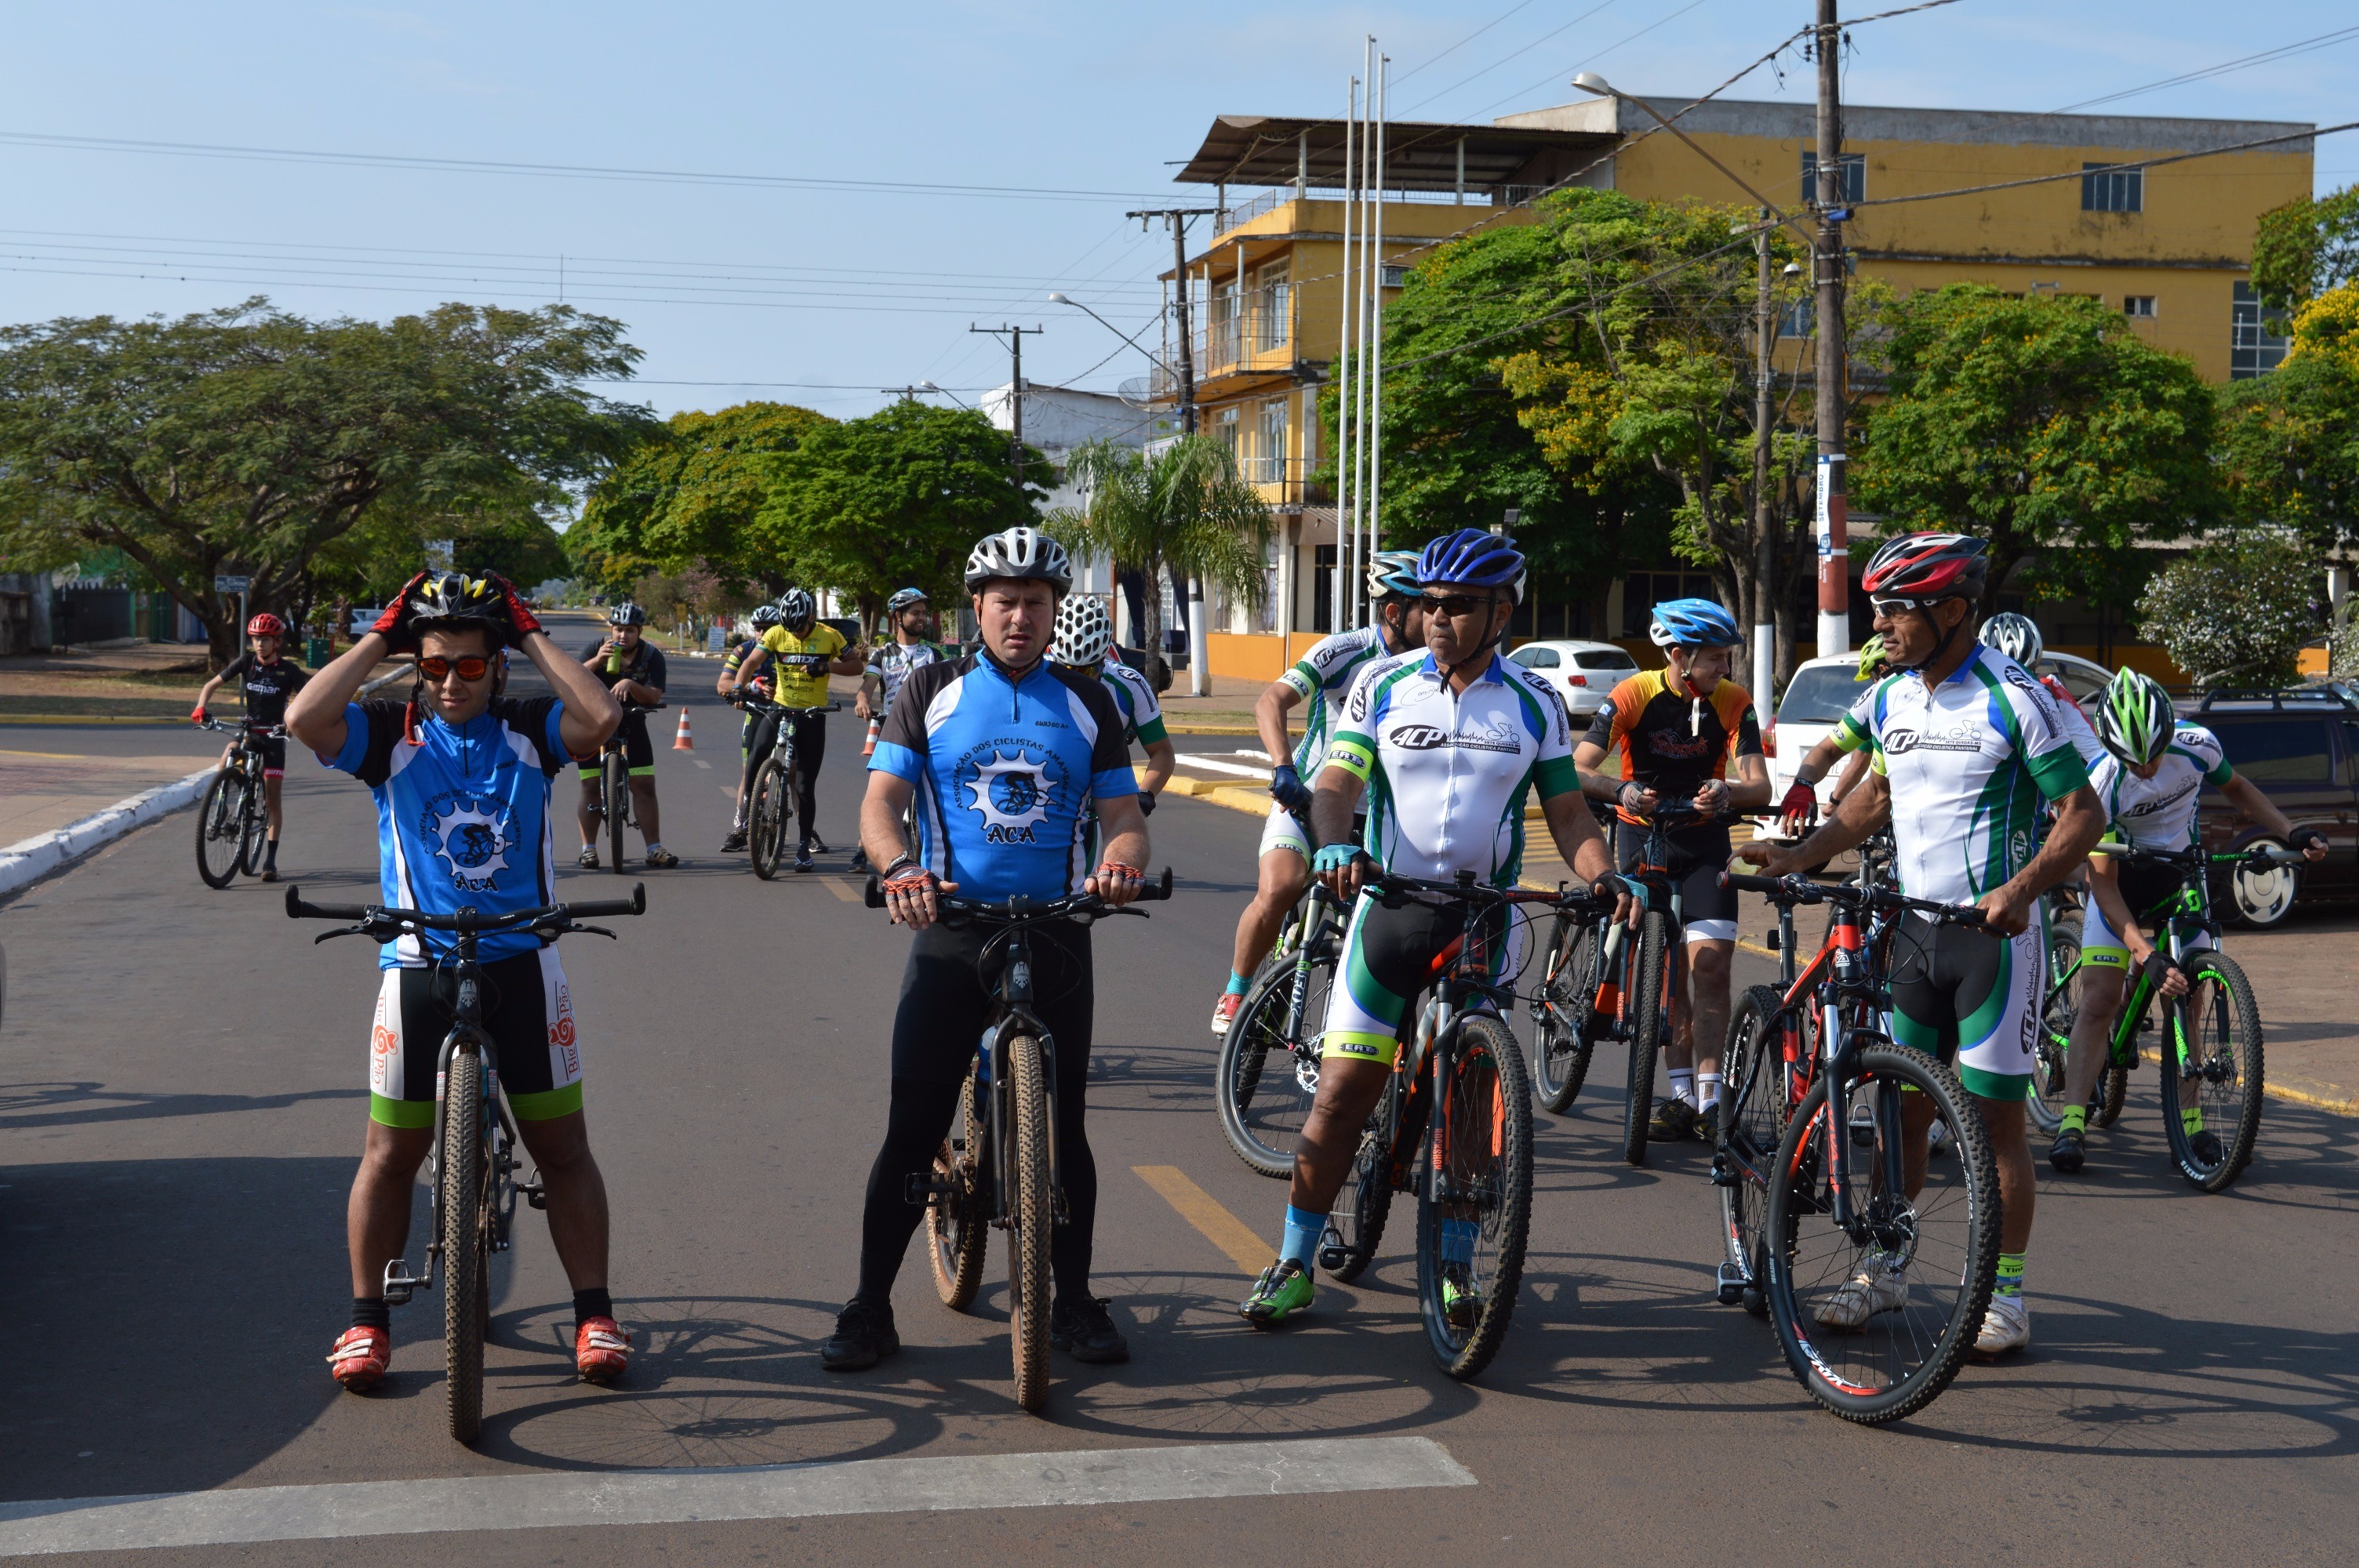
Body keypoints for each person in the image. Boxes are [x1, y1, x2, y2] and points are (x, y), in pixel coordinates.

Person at [1739, 532, 2108, 1357]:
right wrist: (1798, 851)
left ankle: (2005, 1295)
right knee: (1897, 1110)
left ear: (1950, 609)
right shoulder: (1890, 697)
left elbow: (2084, 812)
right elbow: (1872, 798)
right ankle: (1883, 1264)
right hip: (1911, 930)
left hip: (1992, 941)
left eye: (1895, 607)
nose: (1881, 622)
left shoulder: (2013, 697)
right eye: (1874, 605)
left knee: (1993, 1122)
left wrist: (2020, 891)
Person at [1238, 529, 1616, 1329]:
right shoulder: (1381, 683)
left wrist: (1600, 874)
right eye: (1426, 604)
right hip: (1392, 908)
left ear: (1500, 611)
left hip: (1485, 916)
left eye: (1455, 605)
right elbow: (1338, 780)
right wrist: (1334, 837)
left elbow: (1567, 808)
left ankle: (1451, 1264)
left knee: (1472, 1100)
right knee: (1341, 1096)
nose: (1435, 617)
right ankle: (1293, 1258)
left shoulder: (1535, 702)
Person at [284, 569, 634, 1391]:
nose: (448, 682)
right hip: (417, 966)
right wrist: (383, 635)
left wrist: (530, 632)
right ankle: (368, 1321)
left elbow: (602, 717)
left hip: (521, 960)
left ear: (497, 667)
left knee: (562, 1147)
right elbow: (304, 716)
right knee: (388, 1152)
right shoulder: (388, 732)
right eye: (433, 666)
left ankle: (594, 1313)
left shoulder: (527, 728)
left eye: (469, 666)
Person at [822, 526, 1151, 1372]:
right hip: (952, 929)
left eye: (1034, 602)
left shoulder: (1089, 700)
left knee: (1067, 1130)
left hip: (1057, 930)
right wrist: (897, 866)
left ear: (1053, 613)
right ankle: (867, 1306)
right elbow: (880, 801)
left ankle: (1072, 1300)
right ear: (976, 607)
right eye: (1002, 600)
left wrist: (1118, 866)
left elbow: (1122, 817)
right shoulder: (927, 686)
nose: (1018, 616)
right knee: (912, 1126)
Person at [2048, 667, 2327, 1174]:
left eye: (2153, 753)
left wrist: (2291, 830)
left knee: (2191, 997)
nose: (2147, 766)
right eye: (2134, 759)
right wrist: (2145, 952)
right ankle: (2071, 1123)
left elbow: (2239, 788)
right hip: (2121, 884)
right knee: (2099, 999)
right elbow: (2103, 883)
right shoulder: (2103, 781)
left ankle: (2195, 1122)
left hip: (2179, 874)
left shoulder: (2198, 745)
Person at [1573, 597, 1771, 1142]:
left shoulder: (1733, 701)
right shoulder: (1633, 694)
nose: (1725, 670)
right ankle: (1680, 1096)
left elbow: (1760, 785)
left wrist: (1727, 791)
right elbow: (1579, 767)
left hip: (1704, 843)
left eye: (1727, 660)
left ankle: (1709, 1104)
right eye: (1715, 660)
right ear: (1680, 656)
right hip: (1642, 838)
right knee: (1667, 975)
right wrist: (1624, 790)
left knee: (1709, 969)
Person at [1211, 550, 1429, 1035]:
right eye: (1425, 605)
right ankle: (1237, 987)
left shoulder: (1430, 669)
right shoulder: (1344, 650)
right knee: (1280, 886)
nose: (1436, 615)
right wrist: (1282, 766)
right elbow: (1271, 700)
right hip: (1307, 797)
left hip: (1375, 818)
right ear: (1394, 611)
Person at [732, 588, 867, 873]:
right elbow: (751, 662)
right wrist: (738, 687)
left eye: (801, 628)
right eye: (791, 629)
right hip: (780, 706)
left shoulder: (830, 635)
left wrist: (826, 666)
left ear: (812, 618)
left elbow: (856, 665)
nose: (796, 634)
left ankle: (804, 846)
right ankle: (753, 804)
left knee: (805, 786)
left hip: (812, 715)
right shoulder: (777, 633)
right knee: (756, 754)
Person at [191, 612, 311, 882]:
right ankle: (222, 796)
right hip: (250, 731)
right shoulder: (246, 663)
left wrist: (290, 724)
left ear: (277, 642)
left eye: (266, 640)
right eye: (256, 639)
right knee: (228, 754)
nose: (260, 644)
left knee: (272, 798)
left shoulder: (288, 670)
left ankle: (270, 860)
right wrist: (201, 706)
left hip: (274, 737)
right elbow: (212, 684)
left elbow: (306, 698)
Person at [1051, 593, 1176, 830]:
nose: (1077, 680)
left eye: (1087, 672)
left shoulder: (1130, 685)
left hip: (1106, 798)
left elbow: (1162, 752)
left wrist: (1145, 794)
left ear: (1103, 660)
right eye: (1066, 669)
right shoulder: (1039, 676)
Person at [850, 587, 951, 872]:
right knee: (882, 793)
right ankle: (863, 849)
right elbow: (867, 686)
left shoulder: (933, 654)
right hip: (893, 730)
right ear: (898, 616)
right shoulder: (883, 654)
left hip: (928, 731)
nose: (922, 618)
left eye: (924, 613)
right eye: (915, 613)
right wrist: (861, 701)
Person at [575, 602, 674, 869]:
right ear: (611, 629)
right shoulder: (597, 648)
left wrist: (631, 684)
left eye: (629, 630)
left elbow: (654, 695)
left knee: (644, 786)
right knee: (590, 786)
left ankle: (654, 848)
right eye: (618, 629)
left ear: (640, 631)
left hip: (632, 722)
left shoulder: (652, 655)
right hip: (595, 724)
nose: (623, 636)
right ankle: (589, 849)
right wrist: (598, 661)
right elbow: (572, 679)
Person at [1776, 637, 1890, 837]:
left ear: (1881, 669)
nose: (1873, 684)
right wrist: (1803, 784)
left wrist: (1835, 801)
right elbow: (1829, 751)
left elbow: (1857, 763)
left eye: (1872, 677)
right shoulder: (1876, 700)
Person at [717, 604, 782, 853]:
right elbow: (722, 683)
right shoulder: (744, 650)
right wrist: (749, 687)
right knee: (750, 773)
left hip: (788, 715)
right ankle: (740, 827)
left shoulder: (787, 650)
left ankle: (809, 835)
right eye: (758, 628)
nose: (762, 633)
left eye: (769, 628)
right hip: (757, 714)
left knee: (795, 776)